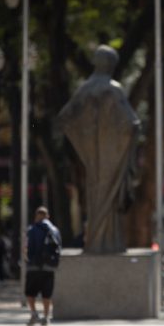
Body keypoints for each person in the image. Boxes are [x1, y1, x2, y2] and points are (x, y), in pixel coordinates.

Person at [56, 45, 140, 254]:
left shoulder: (84, 89)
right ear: (111, 65)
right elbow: (131, 123)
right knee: (109, 198)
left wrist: (84, 142)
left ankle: (96, 242)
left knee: (96, 196)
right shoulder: (113, 88)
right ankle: (108, 243)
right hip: (111, 156)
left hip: (93, 159)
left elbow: (65, 118)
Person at [25, 207, 62, 326]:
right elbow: (59, 247)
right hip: (49, 266)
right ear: (48, 216)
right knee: (47, 293)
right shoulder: (55, 230)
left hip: (33, 266)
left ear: (37, 216)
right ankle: (46, 317)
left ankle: (34, 313)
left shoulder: (32, 229)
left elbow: (27, 247)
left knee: (30, 292)